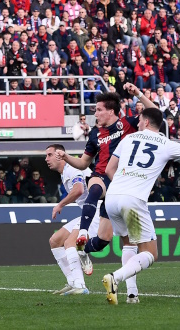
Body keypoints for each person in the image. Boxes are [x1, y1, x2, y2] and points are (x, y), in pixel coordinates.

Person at [101, 108, 180, 305]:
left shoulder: (128, 139)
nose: (138, 123)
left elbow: (109, 169)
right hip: (133, 199)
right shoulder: (166, 144)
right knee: (150, 253)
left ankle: (132, 294)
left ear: (147, 122)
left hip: (112, 196)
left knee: (128, 244)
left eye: (140, 120)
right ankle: (115, 277)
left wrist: (123, 185)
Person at [55, 92, 139, 272]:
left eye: (99, 110)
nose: (96, 114)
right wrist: (66, 156)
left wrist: (138, 94)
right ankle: (83, 233)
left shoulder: (128, 124)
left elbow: (154, 114)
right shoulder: (95, 133)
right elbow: (83, 163)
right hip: (100, 175)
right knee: (93, 190)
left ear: (111, 111)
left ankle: (82, 249)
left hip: (121, 181)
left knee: (103, 240)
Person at [46, 144, 102, 296]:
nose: (46, 159)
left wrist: (60, 205)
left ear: (59, 155)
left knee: (70, 242)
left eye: (50, 155)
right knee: (55, 241)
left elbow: (79, 190)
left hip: (98, 211)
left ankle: (80, 286)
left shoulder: (72, 168)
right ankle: (72, 282)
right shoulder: (66, 172)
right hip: (88, 210)